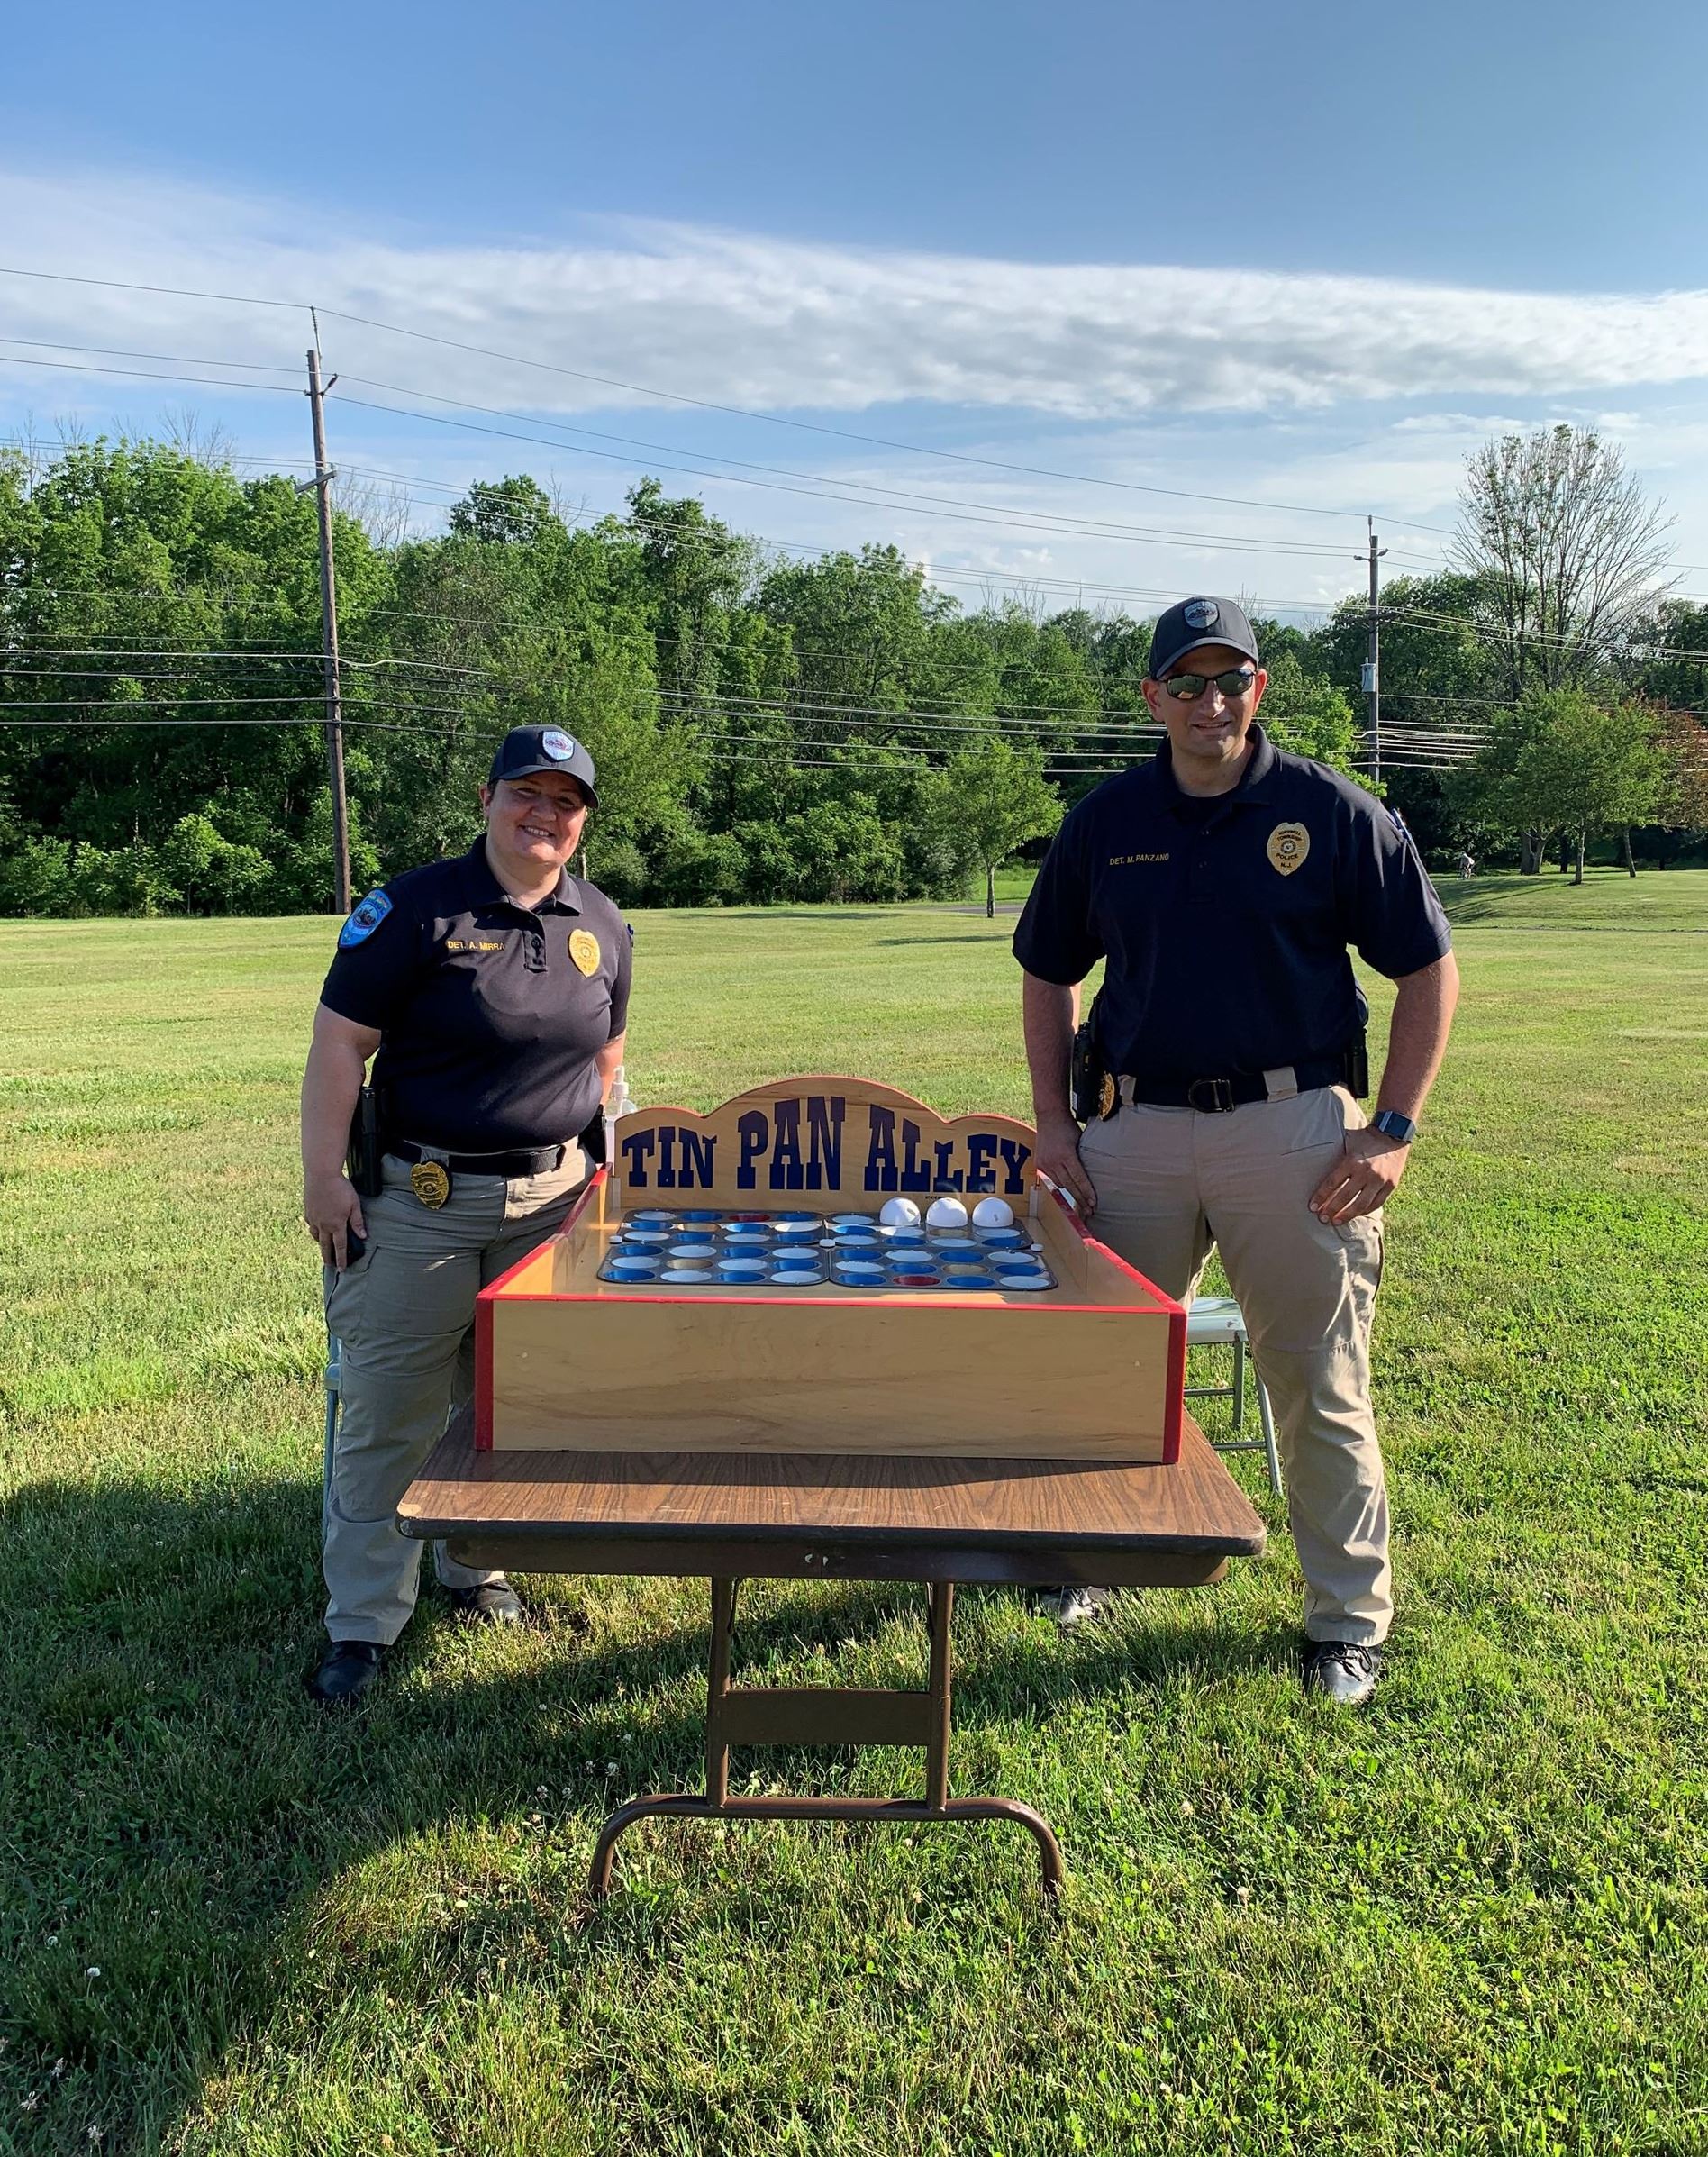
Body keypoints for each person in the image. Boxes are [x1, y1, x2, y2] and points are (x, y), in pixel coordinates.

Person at [1013, 596, 1458, 1705]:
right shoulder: (1106, 819)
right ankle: (1091, 1562)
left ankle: (1344, 1620)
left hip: (1292, 1132)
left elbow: (1428, 970)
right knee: (1103, 1367)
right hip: (1136, 1131)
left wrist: (1393, 1129)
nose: (1211, 702)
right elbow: (1046, 969)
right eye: (1188, 682)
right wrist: (1056, 1126)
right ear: (1153, 696)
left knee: (1317, 1379)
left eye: (1232, 681)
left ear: (1260, 689)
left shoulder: (1333, 811)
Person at [300, 725, 631, 1706]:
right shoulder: (410, 908)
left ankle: (471, 1563)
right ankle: (362, 1623)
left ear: (581, 824)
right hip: (420, 1205)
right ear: (486, 799)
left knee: (496, 1405)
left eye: (566, 802)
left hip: (550, 1207)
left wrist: (601, 1161)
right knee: (392, 1413)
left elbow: (607, 1054)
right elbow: (336, 1047)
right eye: (527, 792)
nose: (546, 813)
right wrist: (325, 1178)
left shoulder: (603, 921)